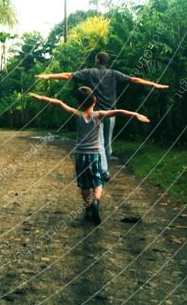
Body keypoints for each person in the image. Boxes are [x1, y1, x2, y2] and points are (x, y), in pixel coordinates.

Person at [35, 51, 168, 180]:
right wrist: (153, 84)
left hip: (95, 115)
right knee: (107, 144)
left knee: (96, 144)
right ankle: (105, 171)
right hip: (110, 114)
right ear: (106, 62)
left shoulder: (89, 72)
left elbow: (68, 75)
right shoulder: (114, 74)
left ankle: (97, 170)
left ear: (96, 60)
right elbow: (134, 79)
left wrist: (49, 76)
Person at [29, 87, 149, 224]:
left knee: (84, 186)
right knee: (98, 182)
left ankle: (89, 205)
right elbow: (119, 111)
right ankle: (96, 201)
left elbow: (58, 102)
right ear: (95, 100)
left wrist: (38, 97)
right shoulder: (99, 115)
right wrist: (135, 114)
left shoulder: (77, 114)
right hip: (94, 155)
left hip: (80, 155)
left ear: (79, 104)